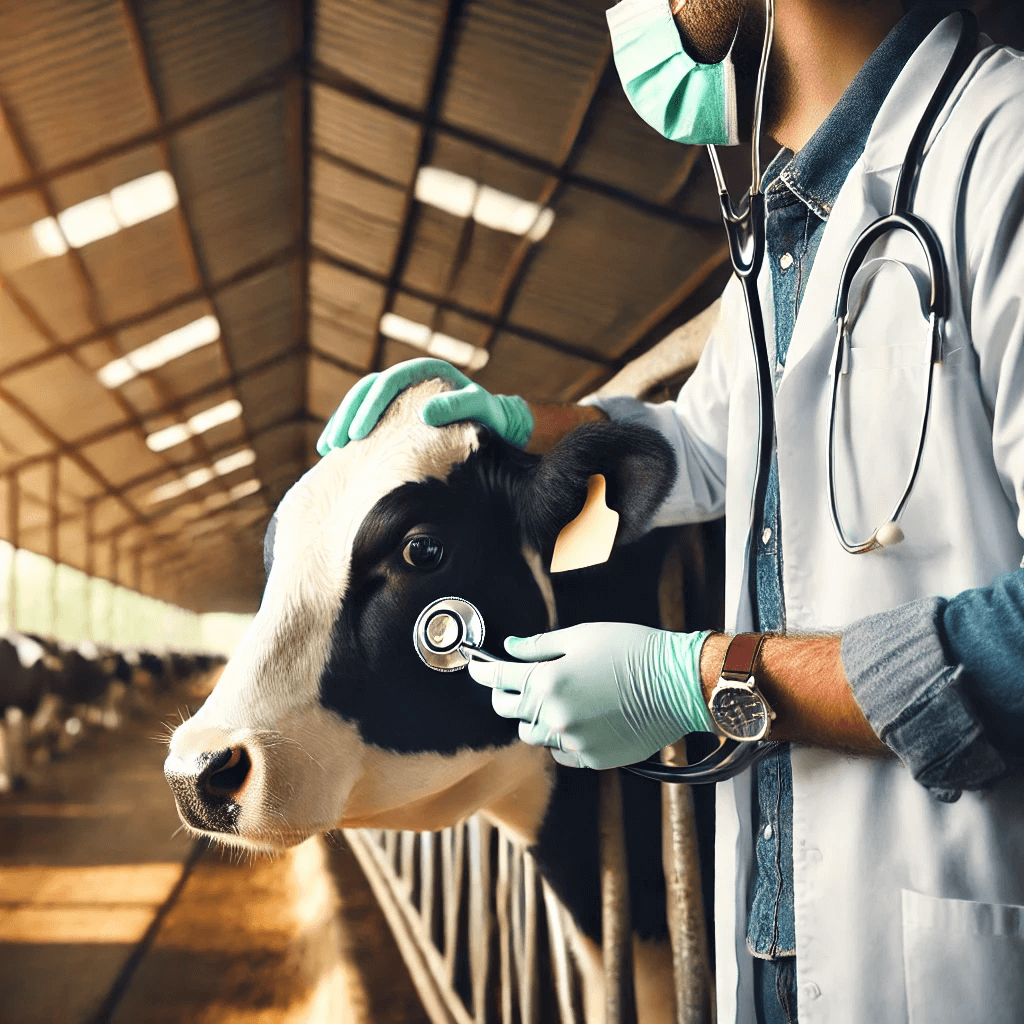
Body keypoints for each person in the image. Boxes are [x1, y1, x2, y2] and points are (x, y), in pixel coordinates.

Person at [319, 2, 1024, 1021]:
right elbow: (709, 445)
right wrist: (507, 427)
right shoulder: (784, 228)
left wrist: (705, 679)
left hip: (959, 953)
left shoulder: (1000, 155)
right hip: (779, 945)